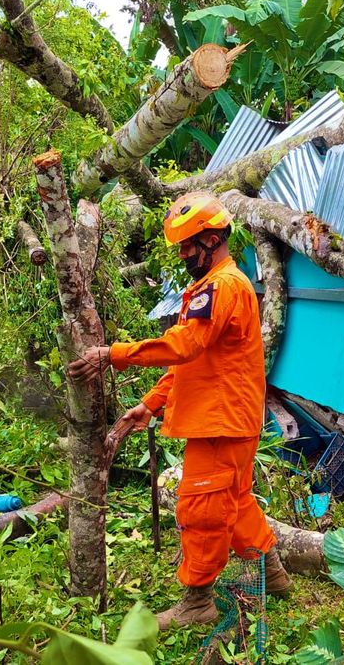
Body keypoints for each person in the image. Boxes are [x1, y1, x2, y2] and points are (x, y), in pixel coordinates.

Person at [67, 190, 292, 630]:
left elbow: (184, 346)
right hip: (226, 417)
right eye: (183, 246)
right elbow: (196, 362)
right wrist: (149, 405)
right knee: (236, 499)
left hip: (223, 421)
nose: (185, 253)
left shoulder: (224, 286)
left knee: (201, 508)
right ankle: (276, 577)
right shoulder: (212, 288)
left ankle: (197, 602)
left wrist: (111, 353)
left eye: (190, 244)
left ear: (213, 238)